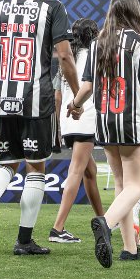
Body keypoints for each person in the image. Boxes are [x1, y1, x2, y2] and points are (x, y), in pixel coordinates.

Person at [0, 0, 79, 256]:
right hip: (37, 99)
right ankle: (24, 240)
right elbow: (64, 55)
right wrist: (75, 93)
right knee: (36, 168)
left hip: (6, 97)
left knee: (7, 163)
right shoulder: (54, 7)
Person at [68, 0, 140, 266]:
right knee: (137, 185)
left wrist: (75, 106)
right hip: (132, 123)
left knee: (121, 184)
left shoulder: (99, 44)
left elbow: (86, 86)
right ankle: (106, 224)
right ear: (135, 13)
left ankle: (129, 248)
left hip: (105, 123)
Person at [50, 18, 104, 243]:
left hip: (69, 119)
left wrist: (59, 127)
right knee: (76, 171)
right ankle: (57, 228)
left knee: (89, 172)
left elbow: (57, 95)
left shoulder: (68, 58)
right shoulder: (95, 52)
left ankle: (104, 220)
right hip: (85, 115)